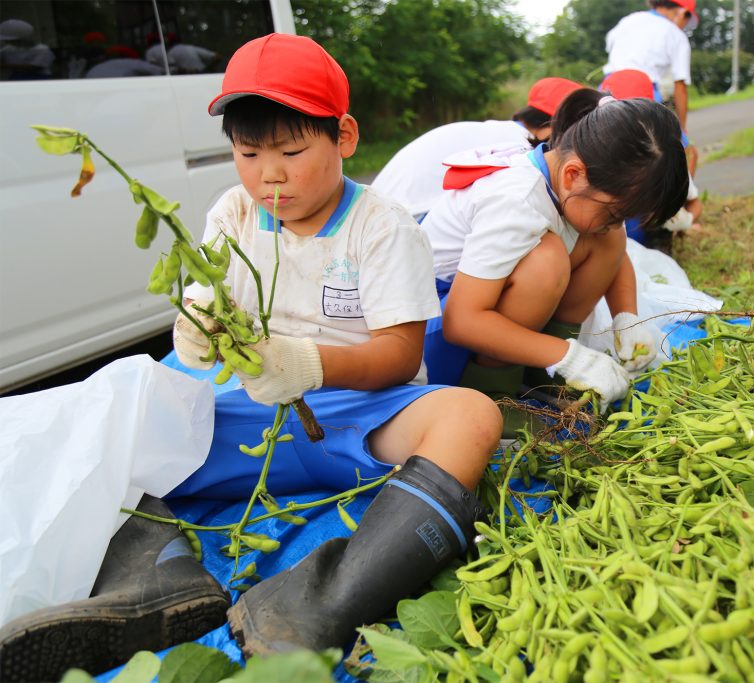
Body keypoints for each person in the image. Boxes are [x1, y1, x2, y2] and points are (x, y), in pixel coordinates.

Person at [0, 33, 503, 678]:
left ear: (344, 137)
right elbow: (210, 304)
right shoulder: (233, 214)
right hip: (247, 419)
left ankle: (317, 605)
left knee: (471, 417)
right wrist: (197, 325)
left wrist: (307, 364)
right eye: (248, 153)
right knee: (109, 423)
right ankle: (158, 580)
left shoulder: (383, 225)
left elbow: (401, 357)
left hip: (360, 412)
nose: (270, 174)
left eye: (293, 151)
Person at [420, 89, 689, 437]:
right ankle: (493, 395)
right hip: (432, 331)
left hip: (475, 313)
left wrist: (627, 317)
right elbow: (461, 321)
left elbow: (615, 249)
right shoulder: (516, 201)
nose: (615, 222)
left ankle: (537, 378)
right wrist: (569, 355)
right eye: (614, 212)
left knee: (606, 238)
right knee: (546, 262)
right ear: (573, 175)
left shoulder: (564, 177)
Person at [371, 76, 582, 220]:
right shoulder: (519, 151)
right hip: (406, 220)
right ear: (556, 127)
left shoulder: (498, 132)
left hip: (379, 213)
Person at [600, 68, 704, 248]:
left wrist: (684, 221)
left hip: (648, 244)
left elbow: (695, 204)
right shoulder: (595, 160)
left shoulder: (664, 163)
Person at [604, 1, 698, 135]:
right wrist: (682, 131)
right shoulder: (676, 35)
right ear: (681, 13)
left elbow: (609, 44)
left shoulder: (629, 20)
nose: (684, 27)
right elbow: (680, 86)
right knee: (664, 145)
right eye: (686, 22)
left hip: (607, 89)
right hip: (641, 91)